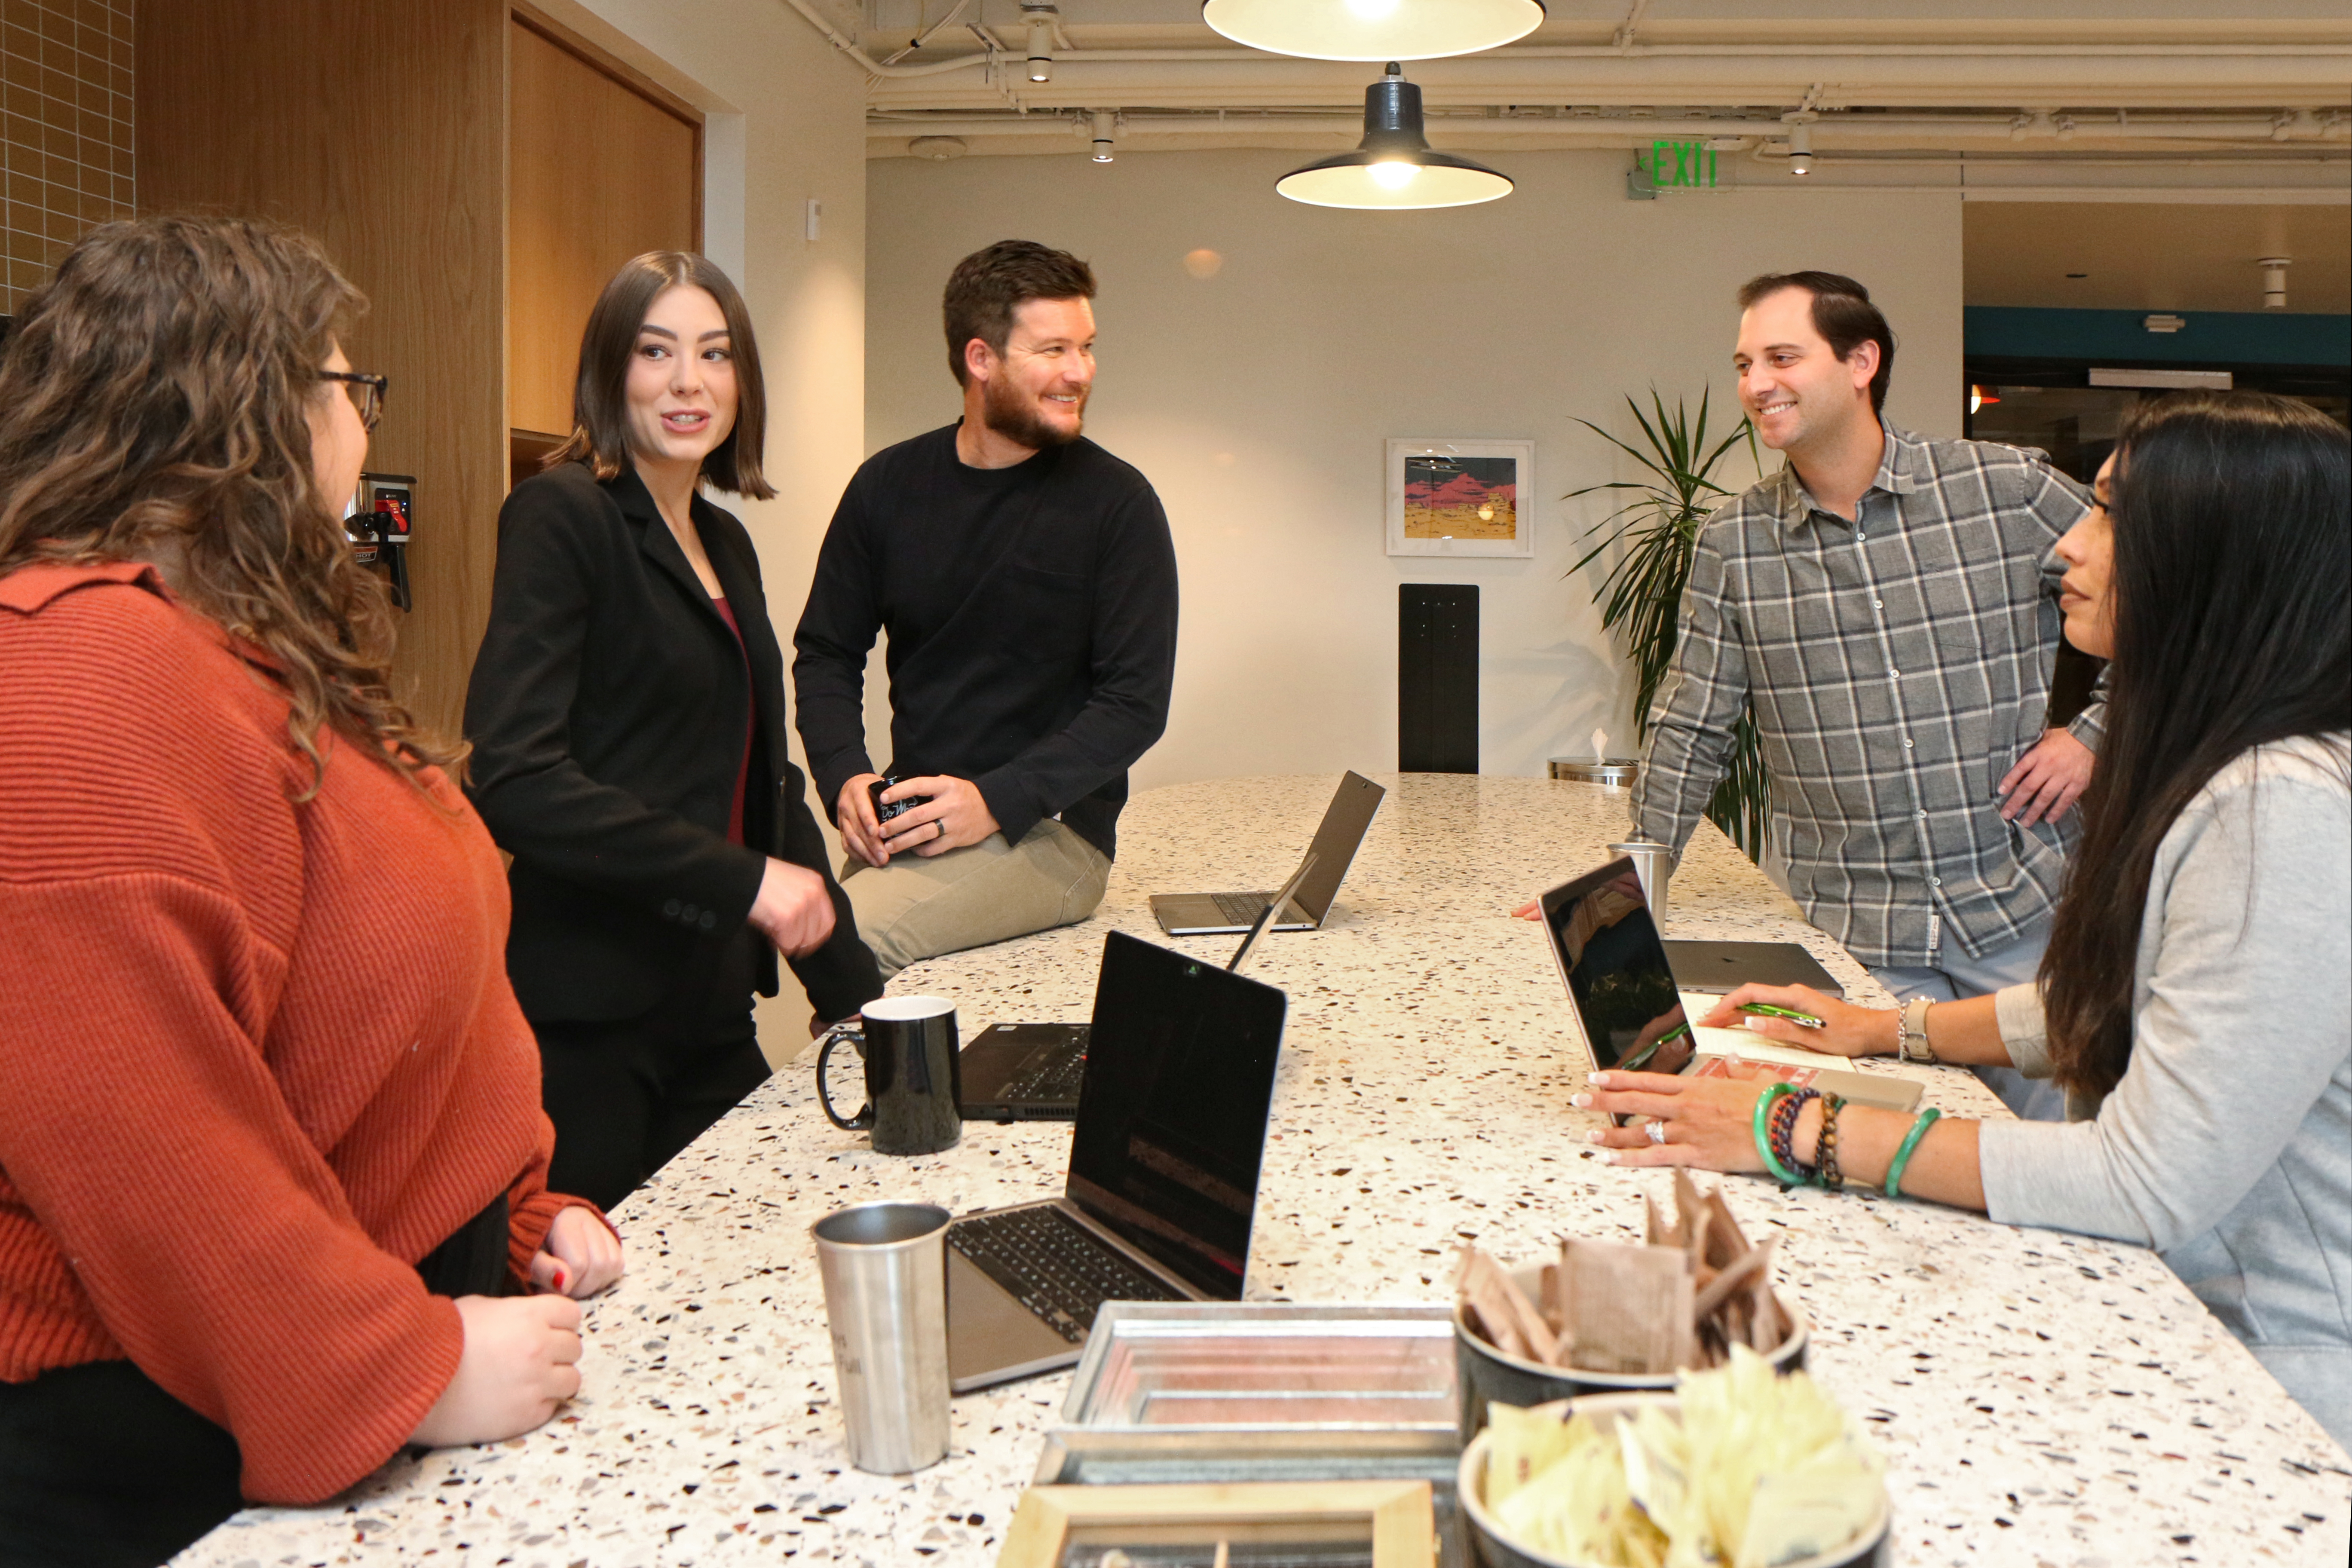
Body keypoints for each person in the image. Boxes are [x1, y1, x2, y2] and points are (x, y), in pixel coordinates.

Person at [0, 217, 623, 1567]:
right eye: (352, 386)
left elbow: (398, 985)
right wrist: (398, 1365)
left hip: (360, 1354)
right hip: (163, 1448)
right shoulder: (68, 680)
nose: (361, 421)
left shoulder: (243, 644)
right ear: (254, 404)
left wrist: (515, 1207)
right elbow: (142, 1145)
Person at [1580, 392, 2350, 1448]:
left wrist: (1791, 1127)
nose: (2068, 548)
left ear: (2221, 557)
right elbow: (2118, 1002)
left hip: (2273, 1391)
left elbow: (2142, 1180)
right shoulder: (2227, 770)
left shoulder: (2284, 809)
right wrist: (1884, 1031)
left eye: (2113, 516)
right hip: (2189, 1324)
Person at [466, 253, 881, 1212]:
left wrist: (851, 992)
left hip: (710, 1004)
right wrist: (746, 885)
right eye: (656, 353)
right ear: (611, 371)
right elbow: (516, 778)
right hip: (586, 1022)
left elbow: (761, 780)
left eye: (715, 354)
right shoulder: (561, 514)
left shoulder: (723, 539)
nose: (689, 382)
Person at [1630, 272, 2098, 1120]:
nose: (1755, 384)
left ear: (1861, 361)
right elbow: (1691, 723)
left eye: (1781, 356)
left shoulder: (2006, 491)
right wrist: (1629, 890)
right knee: (1897, 1175)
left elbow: (2174, 594)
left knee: (2063, 1159)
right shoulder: (1734, 544)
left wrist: (2099, 731)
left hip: (2025, 911)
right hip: (1861, 941)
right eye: (1743, 364)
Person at [792, 240, 1179, 977]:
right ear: (981, 359)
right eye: (1054, 350)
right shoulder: (886, 488)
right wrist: (846, 777)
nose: (1080, 373)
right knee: (833, 957)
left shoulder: (1118, 505)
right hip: (915, 820)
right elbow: (826, 652)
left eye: (1087, 348)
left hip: (1055, 831)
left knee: (854, 946)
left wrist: (994, 800)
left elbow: (1135, 703)